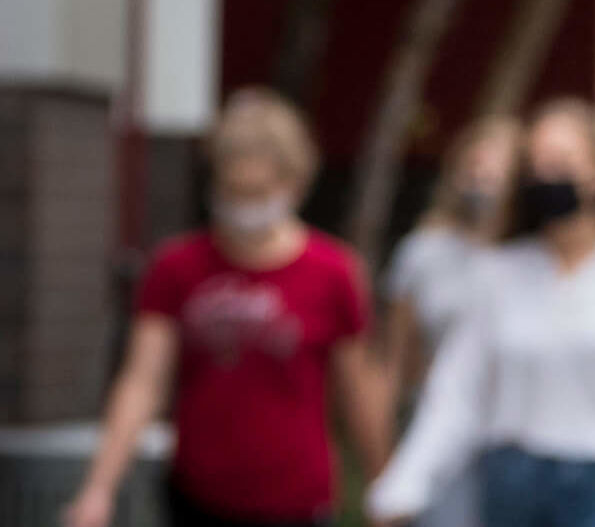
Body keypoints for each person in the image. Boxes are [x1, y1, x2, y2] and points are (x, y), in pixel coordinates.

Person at [368, 99, 595, 527]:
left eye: (563, 162)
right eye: (537, 166)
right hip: (513, 481)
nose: (548, 177)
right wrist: (404, 484)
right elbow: (456, 394)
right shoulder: (498, 273)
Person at [66, 88, 391, 527]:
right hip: (198, 497)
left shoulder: (332, 271)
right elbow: (142, 381)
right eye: (232, 190)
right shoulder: (177, 266)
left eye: (257, 192)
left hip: (296, 500)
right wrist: (98, 488)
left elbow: (358, 390)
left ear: (293, 185)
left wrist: (384, 483)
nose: (244, 207)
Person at [377, 116, 521, 527]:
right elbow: (395, 360)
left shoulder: (534, 260)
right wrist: (388, 457)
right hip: (440, 425)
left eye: (497, 170)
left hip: (514, 431)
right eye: (474, 168)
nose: (483, 180)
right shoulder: (423, 253)